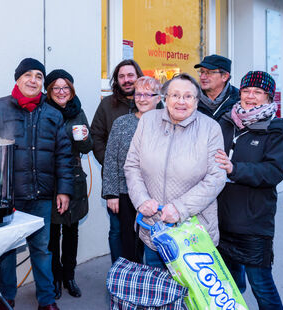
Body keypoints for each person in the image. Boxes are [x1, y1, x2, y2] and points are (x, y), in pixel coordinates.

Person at [0, 58, 74, 310]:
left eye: (39, 76)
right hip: (6, 195)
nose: (33, 80)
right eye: (28, 75)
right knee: (7, 252)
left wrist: (64, 190)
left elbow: (64, 155)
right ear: (18, 78)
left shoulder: (53, 114)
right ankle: (5, 297)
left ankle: (46, 300)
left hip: (41, 194)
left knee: (41, 250)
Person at [124, 73, 226, 268]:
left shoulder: (210, 128)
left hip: (193, 234)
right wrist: (141, 200)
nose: (181, 101)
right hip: (154, 229)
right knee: (158, 292)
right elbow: (132, 165)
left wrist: (180, 208)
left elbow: (216, 177)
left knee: (192, 296)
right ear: (165, 98)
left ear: (197, 101)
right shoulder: (147, 122)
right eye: (175, 95)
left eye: (188, 96)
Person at [215, 71, 283, 310]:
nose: (250, 96)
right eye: (246, 91)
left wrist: (233, 169)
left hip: (253, 221)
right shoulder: (226, 122)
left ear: (268, 97)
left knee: (261, 285)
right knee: (228, 285)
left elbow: (273, 172)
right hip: (221, 219)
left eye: (258, 92)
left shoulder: (277, 129)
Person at [44, 69, 93, 299]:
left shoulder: (78, 112)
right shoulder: (42, 112)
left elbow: (86, 147)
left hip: (74, 177)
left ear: (71, 91)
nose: (61, 92)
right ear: (49, 91)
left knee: (71, 230)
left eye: (66, 88)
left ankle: (69, 276)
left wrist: (84, 137)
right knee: (52, 233)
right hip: (51, 178)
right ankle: (54, 277)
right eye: (56, 88)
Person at [102, 76, 162, 263]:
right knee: (129, 243)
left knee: (156, 245)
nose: (142, 98)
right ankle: (130, 283)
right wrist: (111, 193)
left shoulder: (166, 123)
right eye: (138, 94)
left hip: (157, 195)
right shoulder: (122, 123)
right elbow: (111, 158)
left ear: (158, 98)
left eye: (147, 94)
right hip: (126, 193)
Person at [91, 59, 143, 264]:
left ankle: (141, 273)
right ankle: (118, 273)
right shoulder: (107, 105)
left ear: (138, 76)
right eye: (121, 76)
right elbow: (96, 136)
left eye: (130, 75)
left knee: (144, 231)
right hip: (117, 182)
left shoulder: (153, 105)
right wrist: (111, 161)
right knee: (117, 230)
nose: (126, 80)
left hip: (147, 182)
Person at [194, 54, 239, 121]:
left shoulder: (238, 100)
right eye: (202, 72)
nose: (202, 77)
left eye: (208, 73)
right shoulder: (191, 97)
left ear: (224, 76)